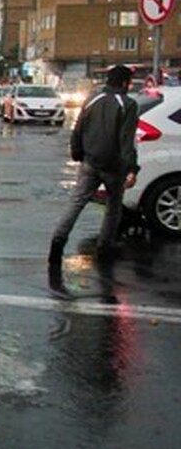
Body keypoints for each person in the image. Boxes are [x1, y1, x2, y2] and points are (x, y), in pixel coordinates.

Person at [49, 64, 139, 290]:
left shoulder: (92, 100)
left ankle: (57, 245)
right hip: (114, 166)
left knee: (76, 203)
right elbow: (126, 141)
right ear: (124, 83)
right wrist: (132, 168)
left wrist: (78, 152)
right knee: (113, 207)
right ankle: (104, 248)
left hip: (90, 162)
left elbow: (77, 129)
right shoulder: (127, 104)